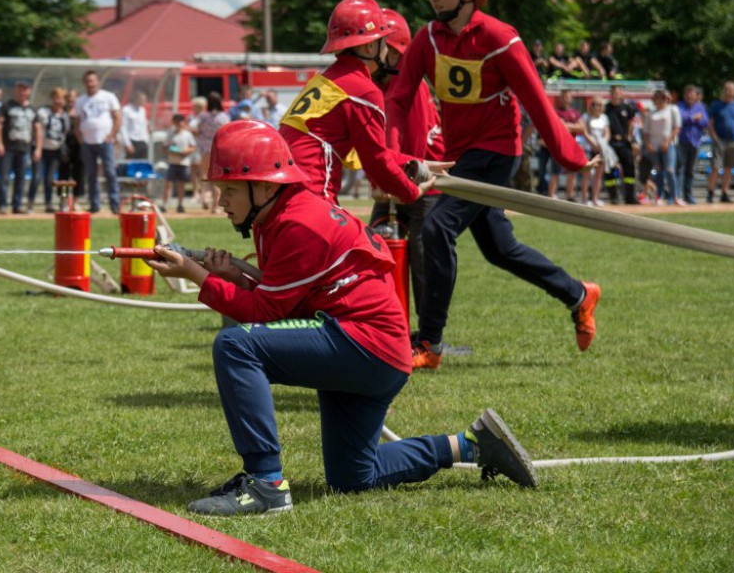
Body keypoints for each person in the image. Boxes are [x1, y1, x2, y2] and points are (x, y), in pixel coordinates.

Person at [145, 120, 538, 516]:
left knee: (234, 346)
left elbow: (266, 313)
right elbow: (286, 300)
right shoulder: (279, 214)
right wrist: (230, 276)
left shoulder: (297, 224)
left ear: (265, 186)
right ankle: (471, 444)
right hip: (370, 349)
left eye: (228, 189)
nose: (221, 202)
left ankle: (265, 484)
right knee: (353, 477)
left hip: (362, 344)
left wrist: (197, 275)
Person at [385, 0, 602, 369]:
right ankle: (578, 294)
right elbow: (399, 98)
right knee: (499, 249)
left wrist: (571, 155)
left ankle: (429, 344)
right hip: (462, 157)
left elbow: (538, 102)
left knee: (437, 228)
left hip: (498, 154)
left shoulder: (501, 39)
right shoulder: (426, 39)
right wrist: (390, 155)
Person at [280, 0, 443, 207]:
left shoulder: (326, 79)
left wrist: (417, 163)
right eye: (383, 42)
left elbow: (374, 152)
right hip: (311, 197)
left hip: (286, 194)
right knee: (365, 241)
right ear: (369, 47)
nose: (385, 50)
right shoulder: (363, 90)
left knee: (369, 237)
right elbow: (376, 160)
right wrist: (411, 191)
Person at [371, 7, 445, 332]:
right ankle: (385, 326)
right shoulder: (385, 86)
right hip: (399, 179)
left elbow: (413, 152)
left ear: (393, 50)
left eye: (376, 45)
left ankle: (429, 337)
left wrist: (391, 182)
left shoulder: (409, 88)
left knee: (421, 254)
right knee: (372, 243)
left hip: (427, 182)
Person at [74, 70, 122, 214]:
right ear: (84, 83)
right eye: (88, 81)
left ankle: (115, 204)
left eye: (93, 81)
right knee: (91, 174)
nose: (90, 84)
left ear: (98, 82)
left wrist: (112, 134)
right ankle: (95, 205)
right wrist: (80, 138)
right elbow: (77, 121)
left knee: (110, 172)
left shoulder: (108, 97)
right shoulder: (80, 100)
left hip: (105, 141)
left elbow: (117, 117)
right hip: (88, 142)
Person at [0, 81, 41, 215]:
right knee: (4, 177)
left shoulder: (33, 109)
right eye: (20, 89)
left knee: (21, 178)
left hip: (24, 148)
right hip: (8, 147)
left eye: (25, 89)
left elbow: (38, 130)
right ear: (16, 90)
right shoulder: (7, 106)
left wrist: (38, 148)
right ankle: (2, 205)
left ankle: (17, 205)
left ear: (29, 91)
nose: (22, 92)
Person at [32, 87, 72, 213]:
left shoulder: (65, 115)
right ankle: (30, 203)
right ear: (52, 98)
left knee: (50, 179)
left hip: (55, 151)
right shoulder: (43, 111)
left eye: (61, 98)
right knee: (37, 177)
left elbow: (65, 133)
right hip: (41, 149)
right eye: (56, 98)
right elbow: (38, 130)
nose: (58, 101)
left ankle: (48, 203)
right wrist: (37, 149)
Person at [706, 81, 734, 203]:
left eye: (731, 89)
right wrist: (714, 137)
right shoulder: (716, 105)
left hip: (733, 141)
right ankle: (710, 193)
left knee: (728, 168)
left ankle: (724, 193)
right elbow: (710, 123)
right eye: (727, 88)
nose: (729, 91)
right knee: (716, 167)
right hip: (719, 140)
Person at [643, 90, 681, 205]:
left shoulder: (673, 110)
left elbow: (676, 127)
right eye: (658, 98)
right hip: (654, 146)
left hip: (668, 146)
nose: (661, 100)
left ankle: (674, 197)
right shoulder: (651, 113)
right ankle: (659, 196)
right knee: (658, 171)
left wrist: (667, 142)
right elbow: (645, 132)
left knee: (670, 170)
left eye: (662, 98)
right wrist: (648, 144)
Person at [603, 85, 640, 205]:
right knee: (611, 171)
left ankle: (630, 197)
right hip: (611, 143)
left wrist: (631, 139)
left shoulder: (627, 107)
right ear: (610, 94)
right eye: (614, 93)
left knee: (629, 169)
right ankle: (613, 197)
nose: (616, 95)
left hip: (624, 143)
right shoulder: (606, 108)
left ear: (622, 94)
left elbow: (631, 124)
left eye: (618, 93)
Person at [197, 92, 231, 213]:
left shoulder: (203, 116)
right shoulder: (223, 117)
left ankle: (204, 199)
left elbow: (198, 129)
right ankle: (215, 206)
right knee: (216, 176)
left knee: (205, 175)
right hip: (218, 147)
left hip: (205, 147)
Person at [675, 84, 707, 205]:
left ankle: (688, 196)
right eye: (688, 95)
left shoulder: (701, 106)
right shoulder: (680, 106)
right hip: (682, 142)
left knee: (690, 171)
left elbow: (705, 122)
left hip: (695, 143)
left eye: (692, 95)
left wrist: (692, 119)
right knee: (679, 169)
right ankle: (677, 196)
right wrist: (694, 118)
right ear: (685, 95)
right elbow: (680, 119)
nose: (690, 97)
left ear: (696, 96)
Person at [584, 96, 617, 207]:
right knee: (587, 173)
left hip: (601, 148)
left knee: (598, 174)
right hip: (589, 147)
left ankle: (595, 198)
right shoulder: (586, 117)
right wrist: (592, 143)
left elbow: (607, 133)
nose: (595, 107)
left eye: (598, 104)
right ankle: (584, 198)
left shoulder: (604, 118)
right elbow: (585, 132)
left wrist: (603, 143)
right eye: (593, 104)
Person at [161, 114, 195, 213]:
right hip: (172, 162)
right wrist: (171, 151)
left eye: (180, 122)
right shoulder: (170, 134)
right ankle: (165, 204)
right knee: (168, 184)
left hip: (183, 162)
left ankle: (180, 204)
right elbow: (164, 147)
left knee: (181, 184)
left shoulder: (187, 134)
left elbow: (192, 146)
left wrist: (185, 151)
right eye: (176, 121)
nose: (178, 124)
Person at [57, 89, 85, 211]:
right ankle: (63, 201)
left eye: (74, 98)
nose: (71, 101)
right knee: (64, 173)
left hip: (79, 145)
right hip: (64, 146)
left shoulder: (82, 112)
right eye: (69, 98)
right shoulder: (61, 112)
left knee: (79, 174)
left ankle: (76, 201)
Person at [119, 91, 150, 160]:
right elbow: (123, 127)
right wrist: (127, 143)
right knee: (131, 164)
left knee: (142, 164)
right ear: (136, 99)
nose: (144, 102)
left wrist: (146, 139)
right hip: (132, 140)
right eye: (142, 100)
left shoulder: (142, 110)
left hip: (142, 140)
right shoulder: (126, 110)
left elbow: (144, 126)